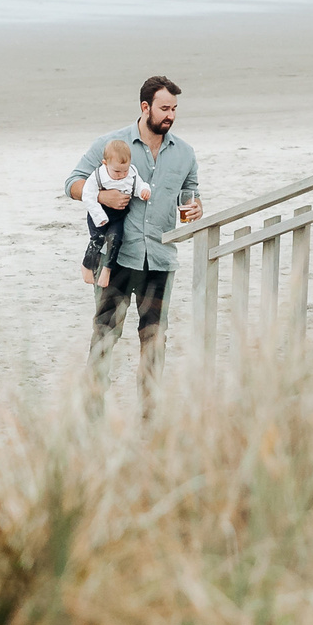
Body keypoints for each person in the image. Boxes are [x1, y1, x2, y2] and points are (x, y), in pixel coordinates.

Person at [65, 75, 202, 403]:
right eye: (164, 108)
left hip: (160, 260)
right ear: (145, 107)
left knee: (155, 340)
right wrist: (104, 197)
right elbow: (72, 183)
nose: (170, 115)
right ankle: (92, 411)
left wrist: (196, 209)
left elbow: (192, 196)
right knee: (104, 336)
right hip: (117, 259)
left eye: (174, 109)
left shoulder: (184, 153)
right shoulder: (111, 145)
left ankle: (149, 413)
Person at [78, 136, 151, 285]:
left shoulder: (130, 173)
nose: (121, 175)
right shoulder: (98, 176)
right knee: (97, 239)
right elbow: (88, 196)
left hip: (118, 216)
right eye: (117, 171)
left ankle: (107, 270)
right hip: (98, 213)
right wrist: (99, 217)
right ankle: (87, 265)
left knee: (115, 240)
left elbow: (139, 185)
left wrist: (144, 191)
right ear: (105, 164)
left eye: (125, 171)